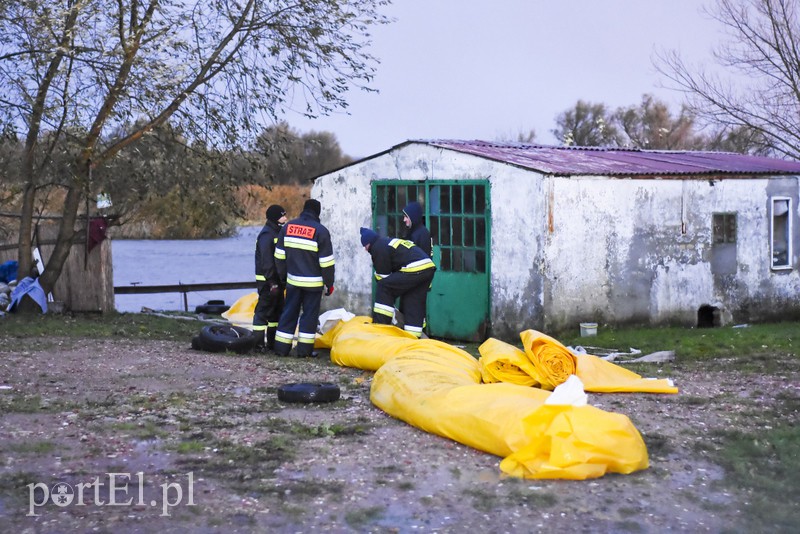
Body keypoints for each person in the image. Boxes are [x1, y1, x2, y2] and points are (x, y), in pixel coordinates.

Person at [273, 199, 335, 357]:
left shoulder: (288, 227)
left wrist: (283, 277)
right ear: (318, 213)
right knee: (309, 316)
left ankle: (281, 349)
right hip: (313, 285)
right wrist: (330, 284)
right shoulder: (321, 231)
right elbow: (326, 263)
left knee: (288, 313)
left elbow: (279, 256)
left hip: (292, 281)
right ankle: (304, 352)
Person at [359, 227, 436, 338]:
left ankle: (380, 327)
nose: (365, 249)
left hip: (414, 267)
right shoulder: (387, 242)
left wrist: (388, 302)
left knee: (384, 286)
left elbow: (383, 277)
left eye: (365, 246)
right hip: (428, 267)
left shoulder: (378, 247)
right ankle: (412, 338)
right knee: (412, 300)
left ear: (369, 243)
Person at [252, 204, 287, 352]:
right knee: (263, 313)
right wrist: (272, 282)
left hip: (277, 282)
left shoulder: (277, 232)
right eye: (282, 215)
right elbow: (267, 262)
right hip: (268, 282)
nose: (285, 218)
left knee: (276, 313)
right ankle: (258, 344)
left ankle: (272, 344)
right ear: (275, 217)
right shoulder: (267, 235)